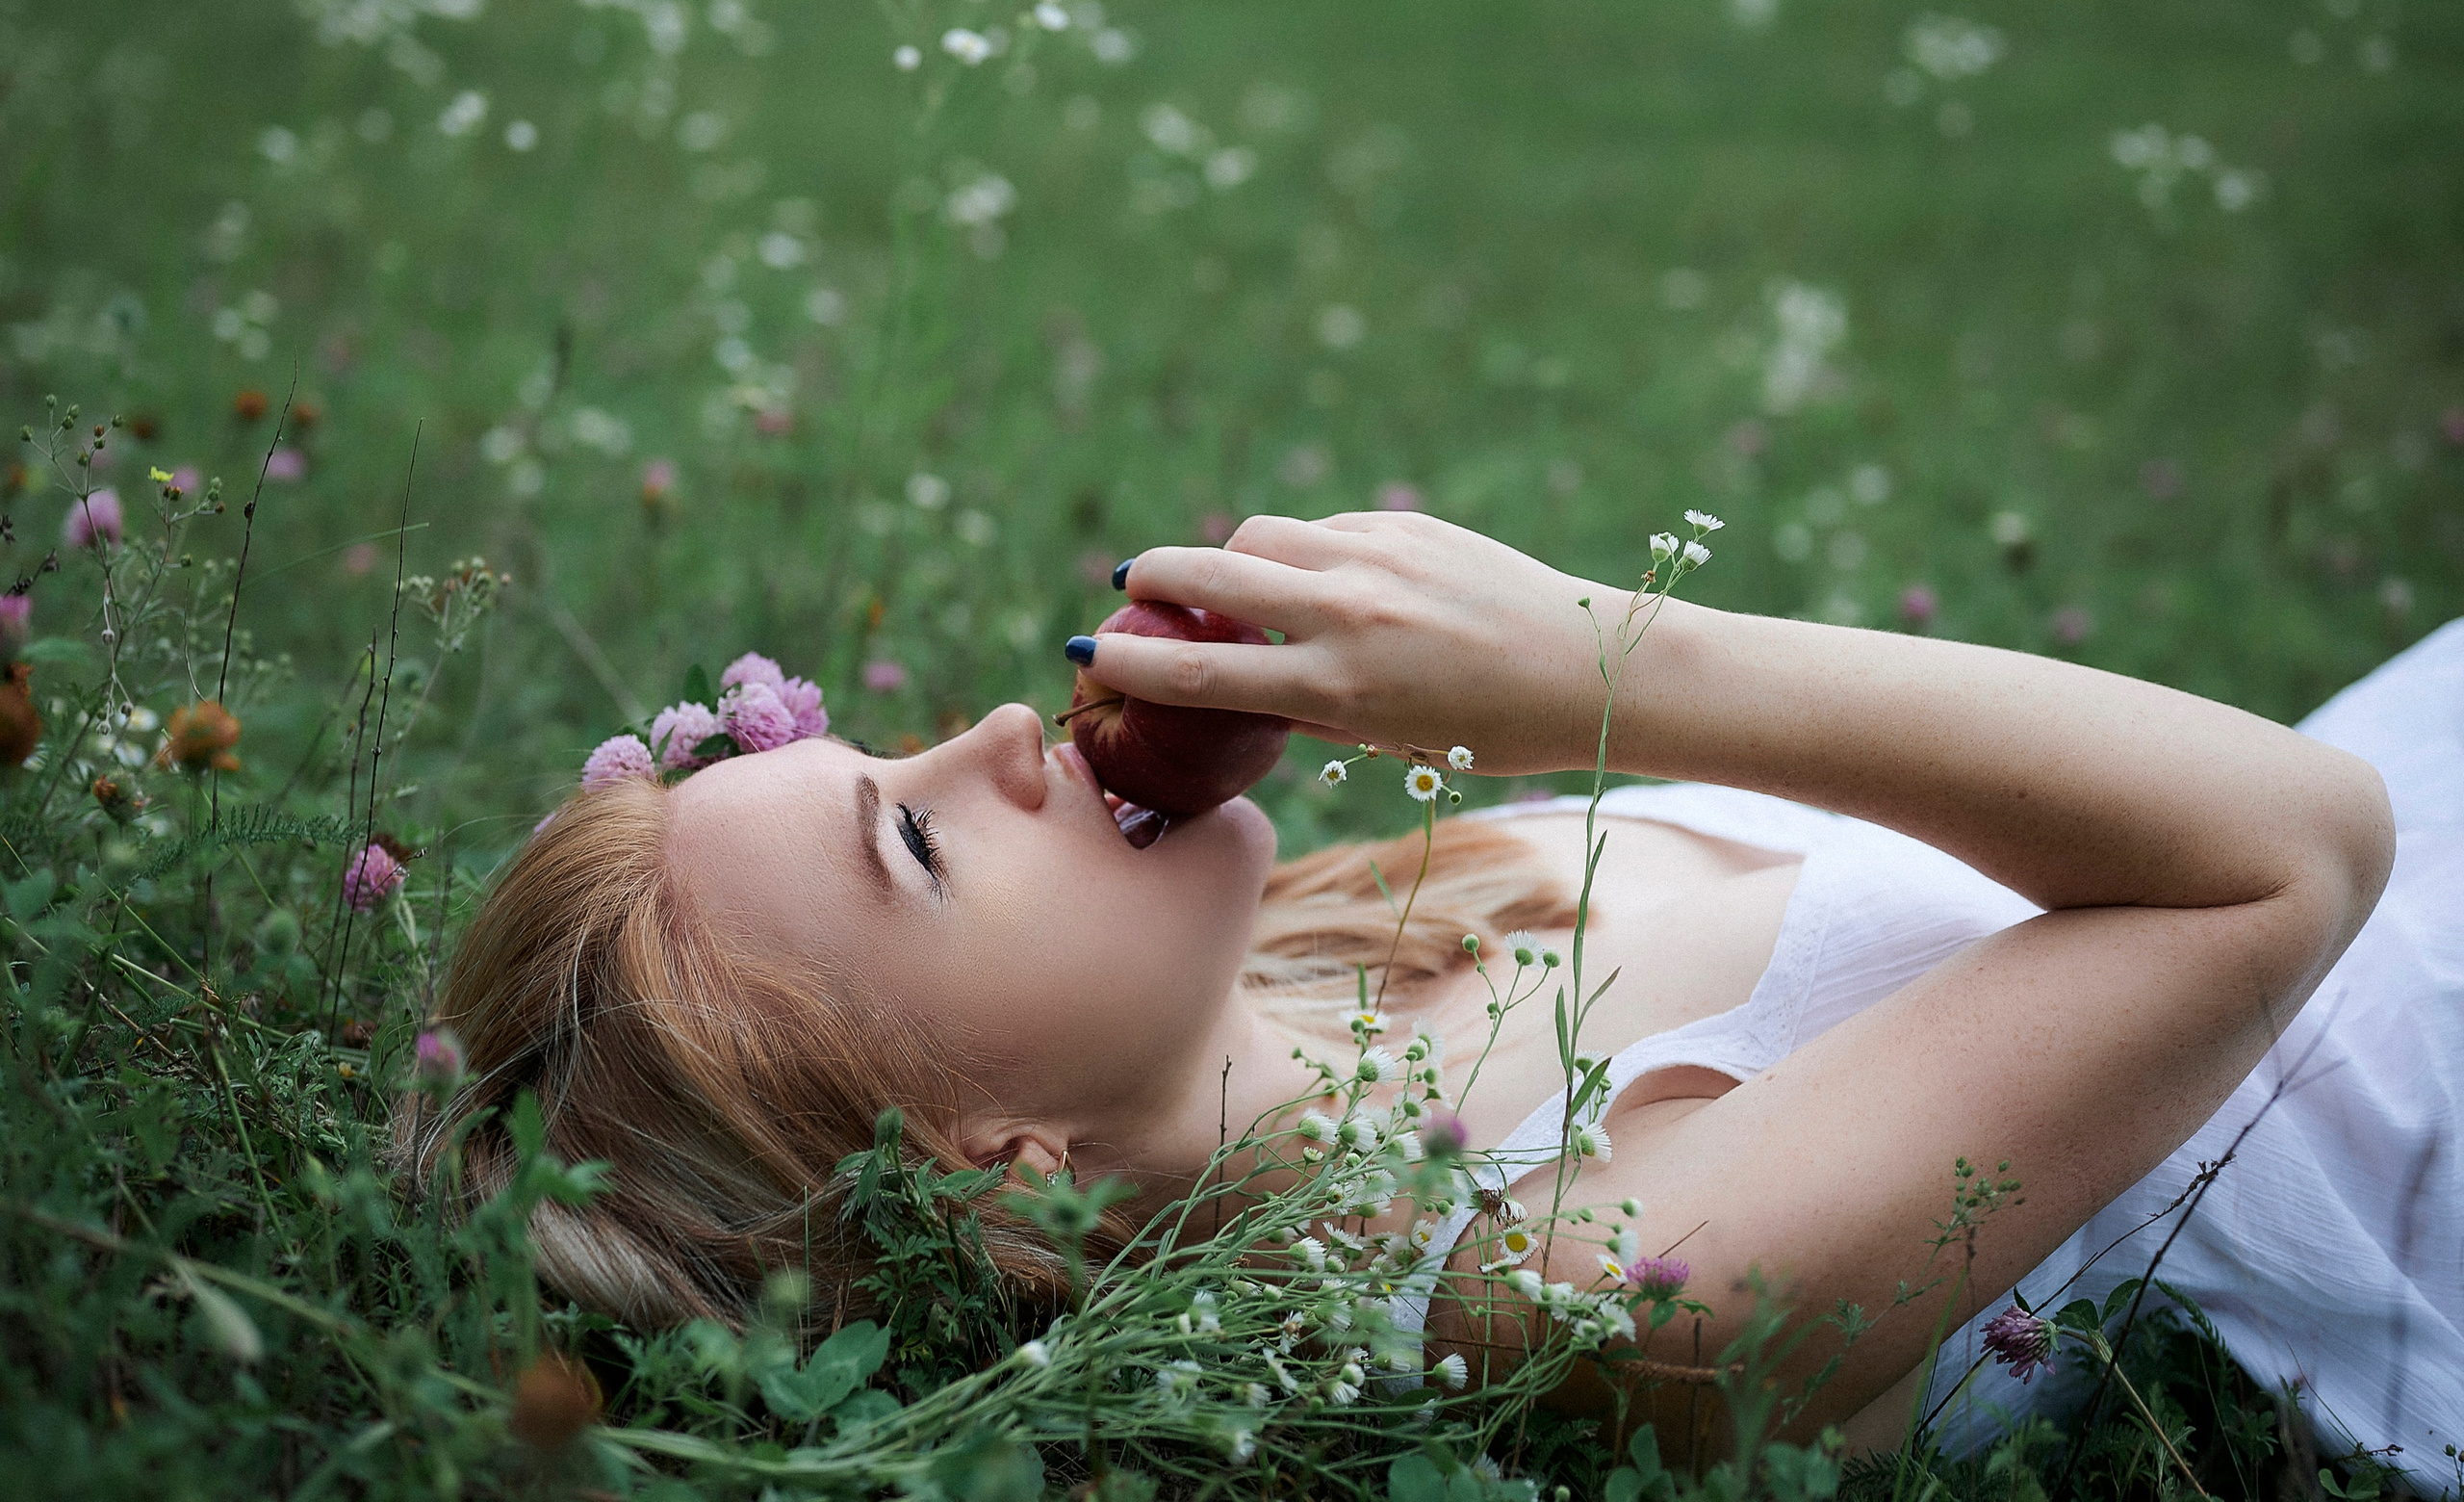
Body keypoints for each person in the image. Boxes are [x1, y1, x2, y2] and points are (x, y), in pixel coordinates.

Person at [398, 512, 2458, 1473]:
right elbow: (2294, 853)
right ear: (996, 1175)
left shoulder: (1326, 953)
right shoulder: (1559, 1297)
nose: (1001, 736)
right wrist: (1602, 660)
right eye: (918, 843)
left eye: (898, 751)